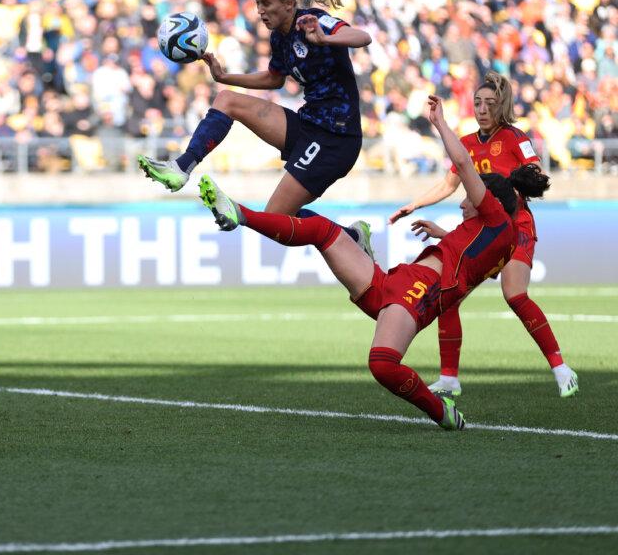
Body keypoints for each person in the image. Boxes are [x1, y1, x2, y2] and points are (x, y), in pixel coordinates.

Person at [197, 96, 551, 430]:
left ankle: (441, 411)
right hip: (396, 284)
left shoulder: (494, 217)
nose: (462, 204)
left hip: (416, 294)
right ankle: (251, 216)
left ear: (488, 201)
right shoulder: (497, 234)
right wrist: (445, 234)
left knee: (382, 364)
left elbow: (462, 164)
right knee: (321, 230)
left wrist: (441, 124)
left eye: (468, 201)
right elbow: (474, 260)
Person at [137, 0, 375, 250]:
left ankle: (351, 239)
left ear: (289, 3)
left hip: (336, 138)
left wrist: (325, 38)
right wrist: (224, 76)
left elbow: (362, 37)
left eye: (266, 4)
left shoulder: (313, 21)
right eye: (257, 4)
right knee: (227, 99)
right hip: (309, 125)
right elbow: (274, 79)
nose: (260, 11)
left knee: (274, 218)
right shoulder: (280, 37)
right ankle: (181, 167)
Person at [389, 73, 578, 398]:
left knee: (514, 294)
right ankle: (449, 378)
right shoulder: (465, 144)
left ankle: (561, 368)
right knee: (447, 297)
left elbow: (537, 173)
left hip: (515, 225)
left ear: (501, 105)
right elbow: (449, 185)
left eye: (490, 103)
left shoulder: (515, 137)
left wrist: (512, 185)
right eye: (477, 102)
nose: (482, 109)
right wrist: (415, 204)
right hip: (483, 232)